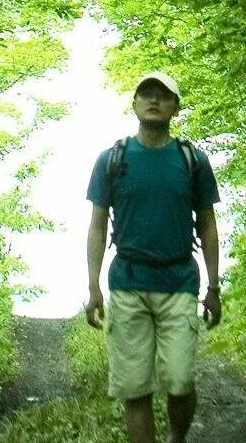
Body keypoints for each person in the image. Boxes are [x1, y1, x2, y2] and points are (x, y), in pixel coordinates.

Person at [85, 72, 221, 443]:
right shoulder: (112, 159)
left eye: (164, 95)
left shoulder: (192, 160)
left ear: (175, 107)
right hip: (128, 283)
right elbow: (97, 226)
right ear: (135, 104)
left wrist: (213, 286)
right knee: (136, 390)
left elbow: (208, 224)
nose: (154, 100)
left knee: (179, 381)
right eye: (147, 94)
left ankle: (178, 438)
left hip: (179, 282)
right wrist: (93, 286)